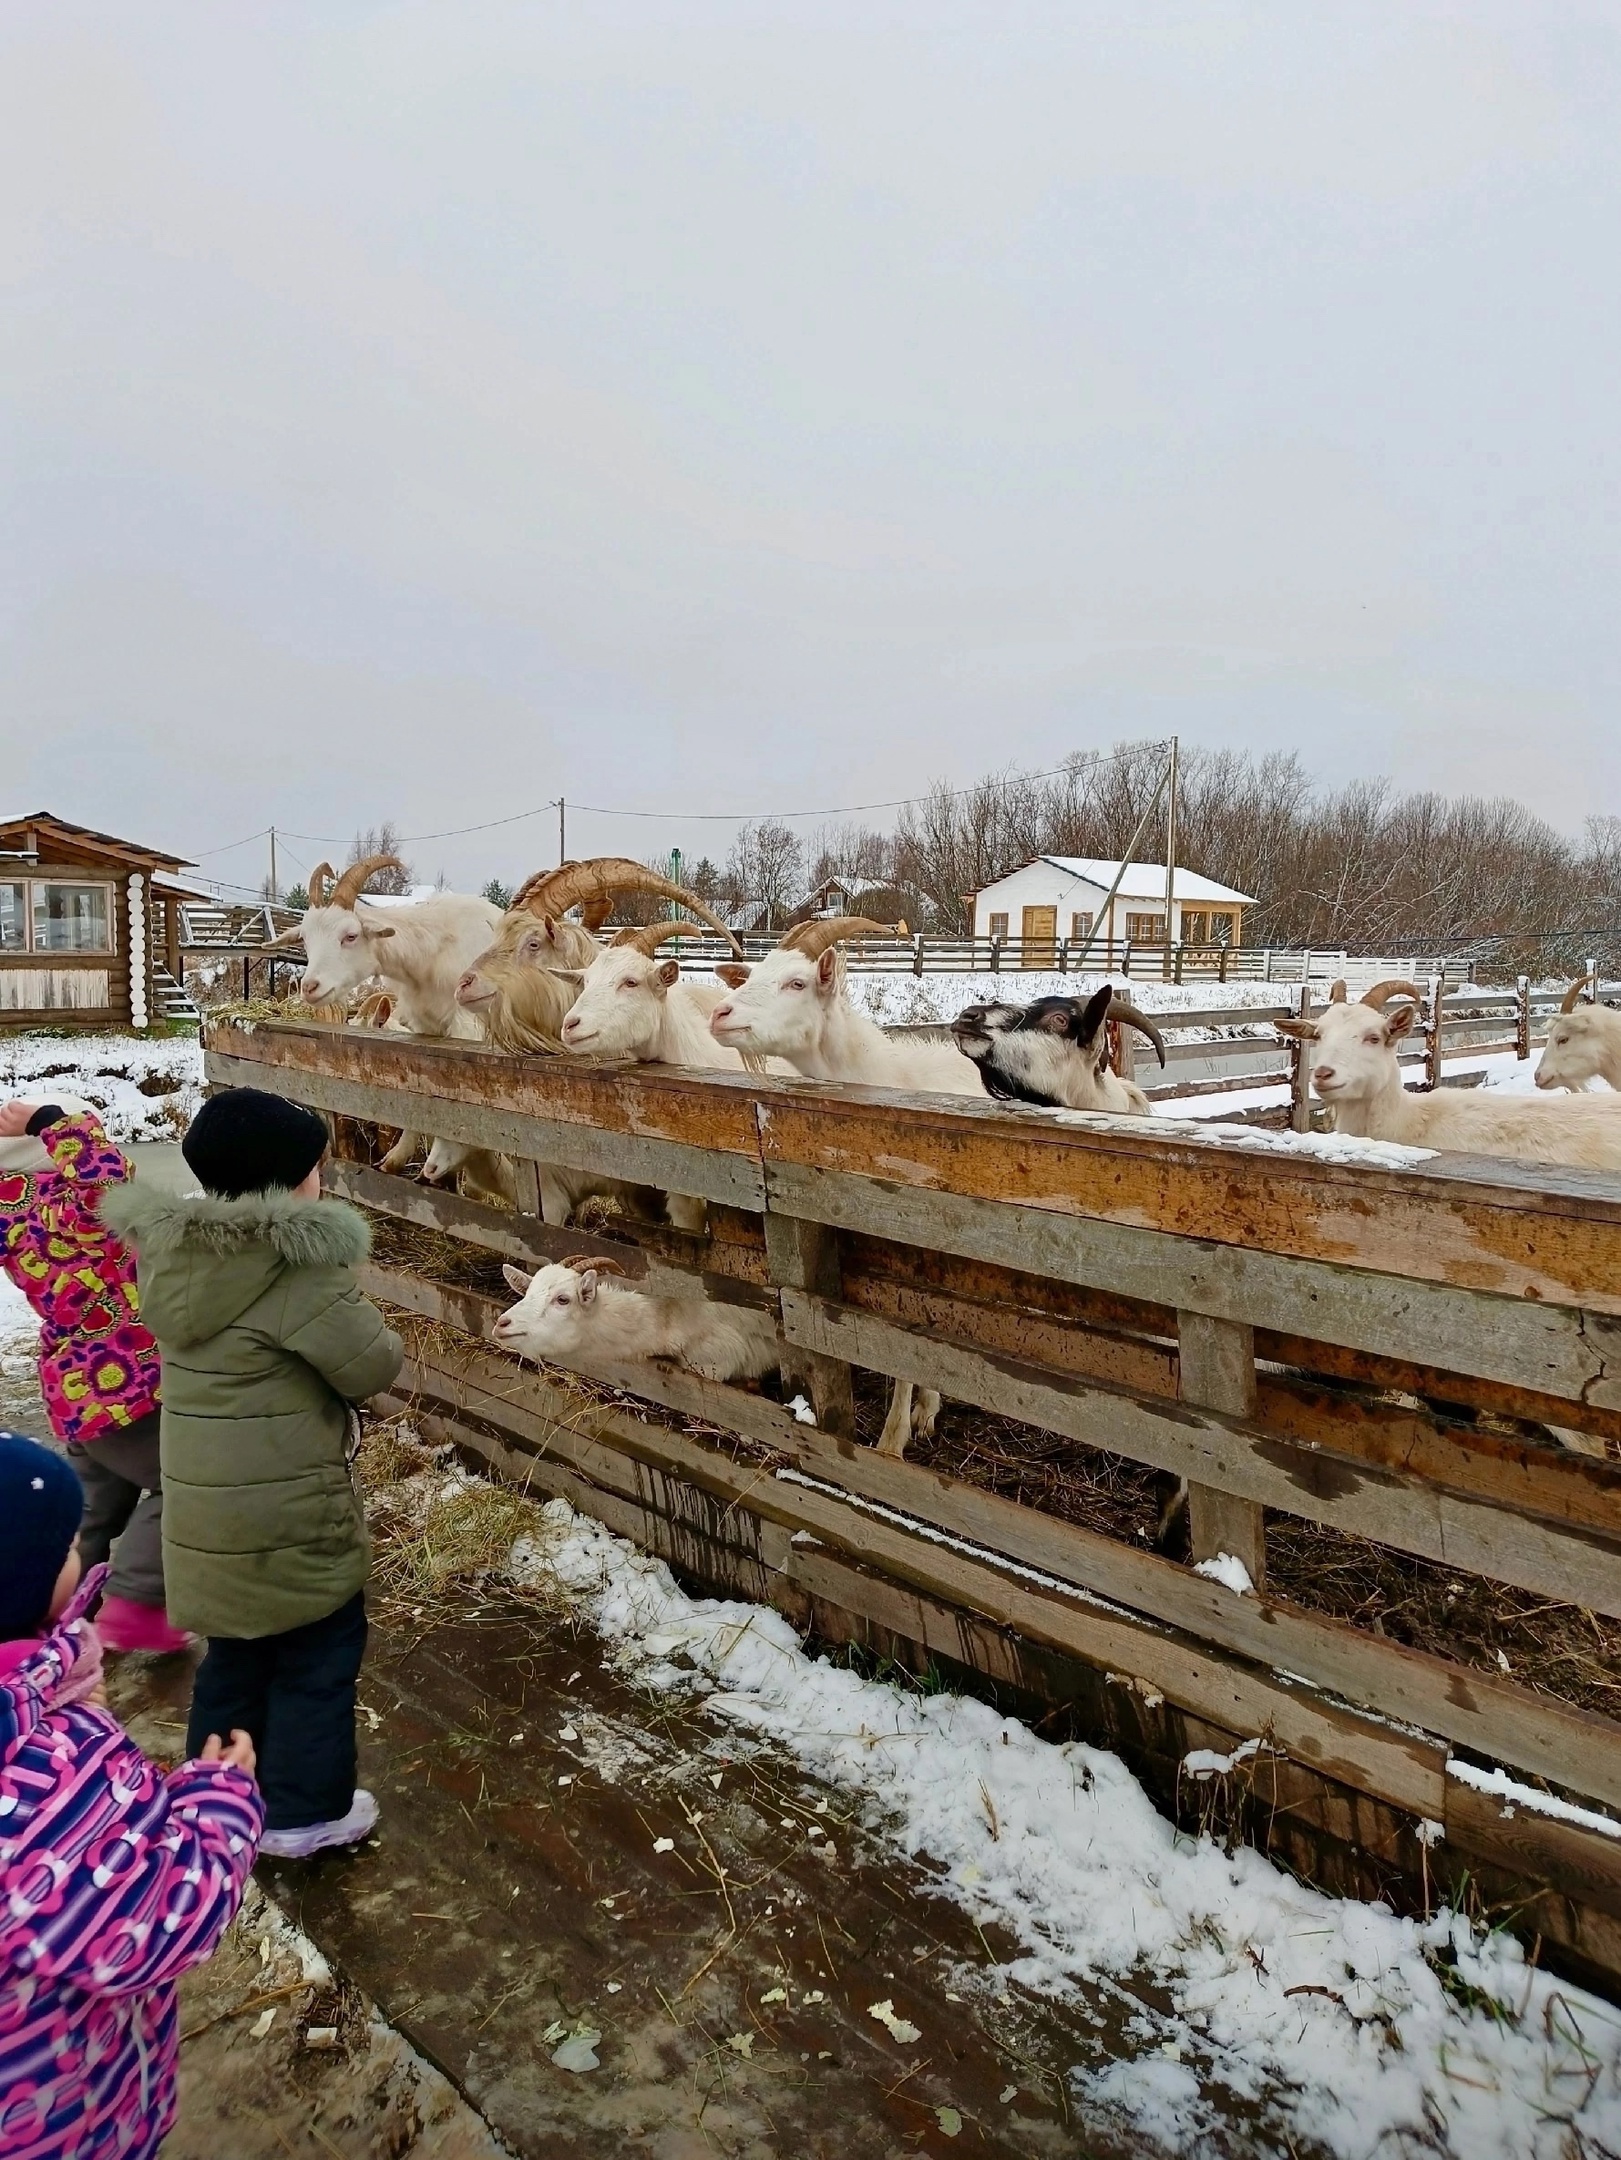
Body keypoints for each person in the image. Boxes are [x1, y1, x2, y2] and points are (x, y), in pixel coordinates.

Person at [104, 1087, 403, 1860]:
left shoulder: (171, 1254)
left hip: (207, 1516)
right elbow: (370, 1366)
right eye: (316, 1167)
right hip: (288, 1512)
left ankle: (216, 1803)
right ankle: (302, 1817)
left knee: (235, 1658)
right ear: (291, 1181)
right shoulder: (297, 1270)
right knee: (315, 1659)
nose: (322, 1179)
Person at [0, 1429, 262, 2160]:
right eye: (65, 1545)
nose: (80, 1550)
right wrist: (220, 1806)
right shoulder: (43, 1772)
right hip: (62, 2115)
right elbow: (158, 1921)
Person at [0, 1094, 187, 1655]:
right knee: (183, 1482)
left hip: (76, 1389)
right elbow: (108, 1180)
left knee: (91, 1512)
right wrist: (57, 1123)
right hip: (123, 1382)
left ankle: (52, 1607)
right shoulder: (67, 1206)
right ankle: (135, 1603)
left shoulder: (9, 1210)